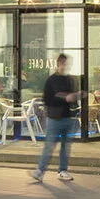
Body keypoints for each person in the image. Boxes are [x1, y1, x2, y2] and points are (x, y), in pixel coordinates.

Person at [29, 52, 78, 184]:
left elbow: (73, 100)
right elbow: (47, 99)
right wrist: (64, 98)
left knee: (65, 146)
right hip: (54, 117)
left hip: (67, 116)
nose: (64, 66)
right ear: (58, 64)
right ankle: (40, 170)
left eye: (65, 64)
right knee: (49, 145)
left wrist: (73, 97)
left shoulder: (70, 80)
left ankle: (62, 170)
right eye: (61, 63)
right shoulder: (51, 80)